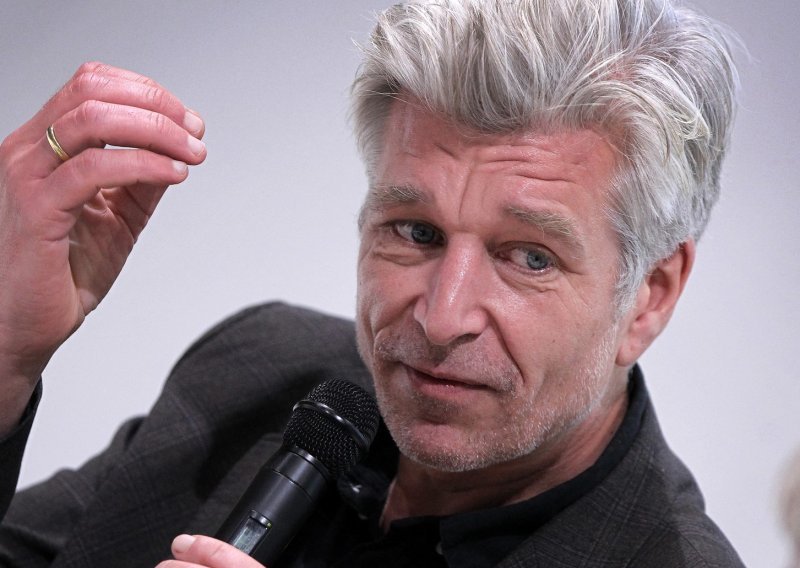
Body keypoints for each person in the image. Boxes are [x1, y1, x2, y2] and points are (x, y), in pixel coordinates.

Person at [0, 0, 745, 566]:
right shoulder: (255, 369)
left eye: (529, 257)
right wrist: (6, 352)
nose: (442, 317)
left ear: (649, 295)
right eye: (416, 232)